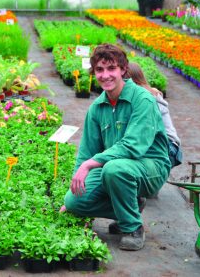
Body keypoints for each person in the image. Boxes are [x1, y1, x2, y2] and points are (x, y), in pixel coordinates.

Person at [63, 44, 171, 251]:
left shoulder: (142, 99)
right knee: (75, 202)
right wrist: (73, 191)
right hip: (115, 166)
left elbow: (133, 146)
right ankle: (131, 206)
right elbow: (86, 152)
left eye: (111, 68)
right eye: (99, 70)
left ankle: (132, 227)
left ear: (123, 70)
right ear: (94, 72)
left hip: (150, 167)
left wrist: (89, 165)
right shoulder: (97, 108)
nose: (105, 75)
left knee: (115, 169)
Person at [126, 62, 182, 169]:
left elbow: (142, 133)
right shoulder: (141, 92)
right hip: (158, 143)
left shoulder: (147, 97)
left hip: (168, 146)